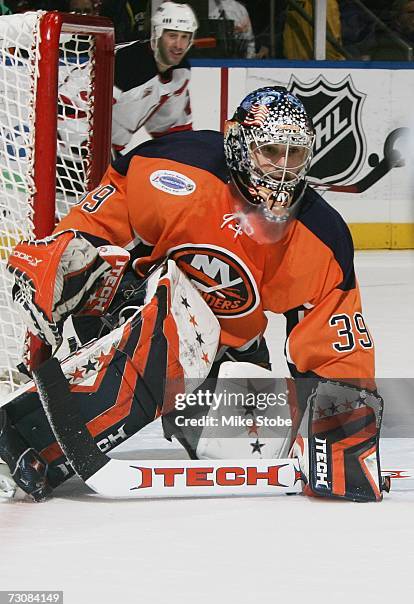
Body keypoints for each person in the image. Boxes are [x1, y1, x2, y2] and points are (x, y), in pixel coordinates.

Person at [2, 87, 386, 503]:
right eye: (271, 151)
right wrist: (68, 258)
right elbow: (94, 227)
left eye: (294, 155)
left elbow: (336, 346)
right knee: (185, 319)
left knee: (256, 449)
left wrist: (343, 432)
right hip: (131, 309)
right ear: (240, 145)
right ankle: (23, 437)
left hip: (229, 347)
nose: (282, 170)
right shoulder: (174, 165)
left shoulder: (320, 236)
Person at [111, 1, 198, 154]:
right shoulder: (126, 62)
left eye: (185, 37)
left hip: (103, 152)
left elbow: (172, 131)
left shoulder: (179, 71)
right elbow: (83, 107)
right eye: (172, 35)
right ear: (157, 34)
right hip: (70, 148)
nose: (179, 45)